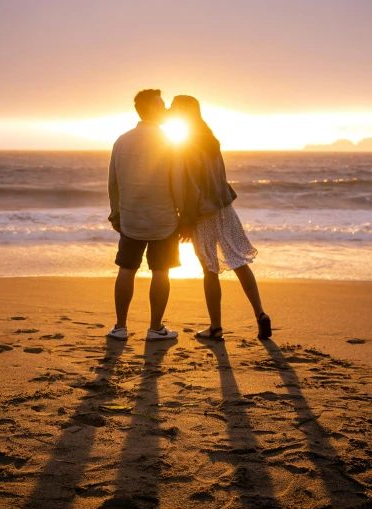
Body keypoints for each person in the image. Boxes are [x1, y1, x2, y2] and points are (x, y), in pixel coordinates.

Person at [171, 95, 272, 340]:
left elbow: (192, 187)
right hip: (225, 210)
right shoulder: (211, 141)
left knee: (210, 270)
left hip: (203, 213)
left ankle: (215, 327)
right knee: (238, 261)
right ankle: (260, 313)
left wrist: (186, 219)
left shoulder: (185, 144)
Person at [107, 89, 179, 341]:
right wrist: (183, 213)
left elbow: (113, 183)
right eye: (162, 105)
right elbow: (177, 182)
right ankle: (155, 327)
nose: (166, 110)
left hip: (131, 218)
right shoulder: (169, 142)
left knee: (127, 269)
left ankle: (120, 327)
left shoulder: (122, 141)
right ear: (151, 109)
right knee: (161, 271)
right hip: (165, 219)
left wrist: (115, 213)